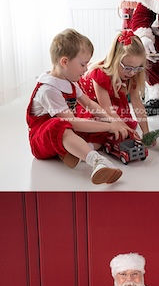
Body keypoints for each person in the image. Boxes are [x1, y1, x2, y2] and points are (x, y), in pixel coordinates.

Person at [26, 29, 131, 184]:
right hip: (42, 140)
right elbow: (72, 122)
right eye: (82, 64)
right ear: (64, 62)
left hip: (67, 129)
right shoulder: (49, 89)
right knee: (60, 125)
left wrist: (111, 121)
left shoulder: (71, 81)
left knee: (92, 118)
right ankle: (96, 162)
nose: (86, 69)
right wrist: (108, 127)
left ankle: (76, 151)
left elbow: (88, 103)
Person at [76, 29, 149, 141]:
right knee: (103, 127)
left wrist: (146, 132)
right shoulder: (101, 74)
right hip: (92, 103)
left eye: (137, 68)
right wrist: (127, 131)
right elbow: (106, 109)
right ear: (115, 60)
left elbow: (137, 103)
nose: (132, 72)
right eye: (128, 68)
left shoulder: (133, 74)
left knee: (122, 122)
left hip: (111, 101)